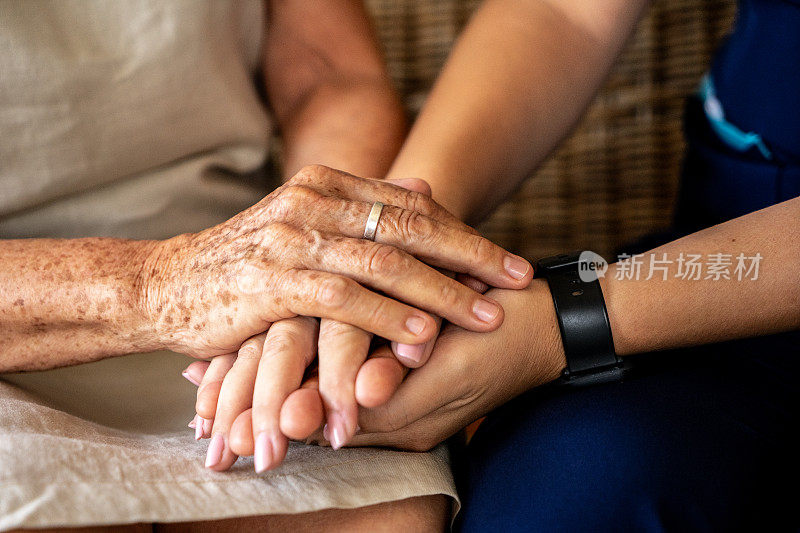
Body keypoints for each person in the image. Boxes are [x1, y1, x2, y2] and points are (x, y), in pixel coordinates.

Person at [194, 0, 800, 529]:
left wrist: (565, 321)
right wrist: (390, 251)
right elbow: (565, 13)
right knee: (570, 488)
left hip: (676, 291)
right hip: (707, 251)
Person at [0, 1, 535, 531]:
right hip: (30, 324)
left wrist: (320, 261)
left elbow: (329, 82)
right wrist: (161, 286)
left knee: (372, 510)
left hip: (243, 287)